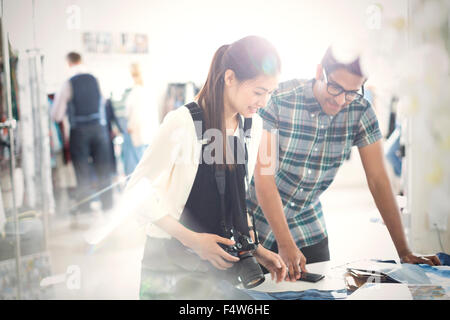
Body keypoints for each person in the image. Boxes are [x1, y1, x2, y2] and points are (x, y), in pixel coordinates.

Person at [247, 46, 441, 282]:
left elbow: (378, 180)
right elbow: (264, 178)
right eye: (336, 87)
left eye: (351, 92)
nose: (340, 100)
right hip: (256, 221)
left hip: (308, 225)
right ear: (320, 72)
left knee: (321, 292)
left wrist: (405, 251)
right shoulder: (278, 99)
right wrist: (284, 243)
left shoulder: (361, 111)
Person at [124, 36, 287, 299]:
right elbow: (134, 192)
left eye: (270, 93)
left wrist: (255, 250)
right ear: (230, 77)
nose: (264, 102)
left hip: (218, 268)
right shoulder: (183, 123)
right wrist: (193, 241)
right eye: (258, 92)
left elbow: (232, 201)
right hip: (170, 267)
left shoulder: (251, 125)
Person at [51, 52, 113, 218]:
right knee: (103, 168)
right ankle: (108, 205)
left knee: (82, 170)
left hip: (79, 130)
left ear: (69, 63)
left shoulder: (68, 83)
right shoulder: (95, 78)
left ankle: (85, 208)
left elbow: (56, 114)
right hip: (99, 129)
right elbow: (105, 100)